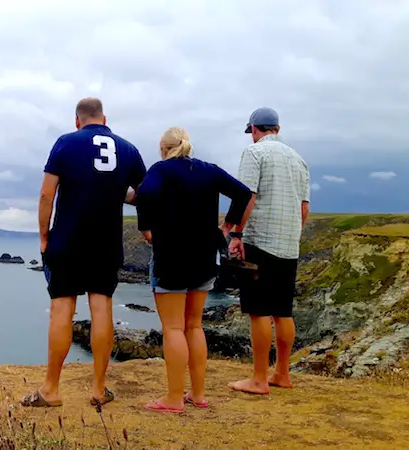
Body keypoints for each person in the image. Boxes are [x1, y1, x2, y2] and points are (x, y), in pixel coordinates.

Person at [21, 97, 147, 408]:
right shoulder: (128, 149)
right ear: (105, 119)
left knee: (62, 311)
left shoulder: (65, 143)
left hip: (67, 240)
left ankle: (50, 390)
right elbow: (143, 194)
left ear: (77, 121)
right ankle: (99, 389)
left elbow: (46, 194)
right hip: (106, 243)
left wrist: (43, 236)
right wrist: (119, 193)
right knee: (102, 308)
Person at [133, 126, 252, 413]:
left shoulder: (161, 170)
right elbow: (243, 193)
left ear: (164, 148)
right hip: (204, 255)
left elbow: (144, 195)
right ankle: (197, 395)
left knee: (173, 327)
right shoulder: (208, 169)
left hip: (171, 256)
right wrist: (226, 227)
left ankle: (173, 399)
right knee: (194, 326)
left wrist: (146, 228)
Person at [227, 107, 310, 395]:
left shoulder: (254, 154)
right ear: (277, 127)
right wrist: (294, 235)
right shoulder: (298, 159)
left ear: (253, 129)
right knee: (282, 311)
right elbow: (304, 207)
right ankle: (282, 374)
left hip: (260, 240)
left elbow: (247, 196)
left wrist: (236, 233)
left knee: (259, 311)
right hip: (289, 243)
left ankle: (259, 379)